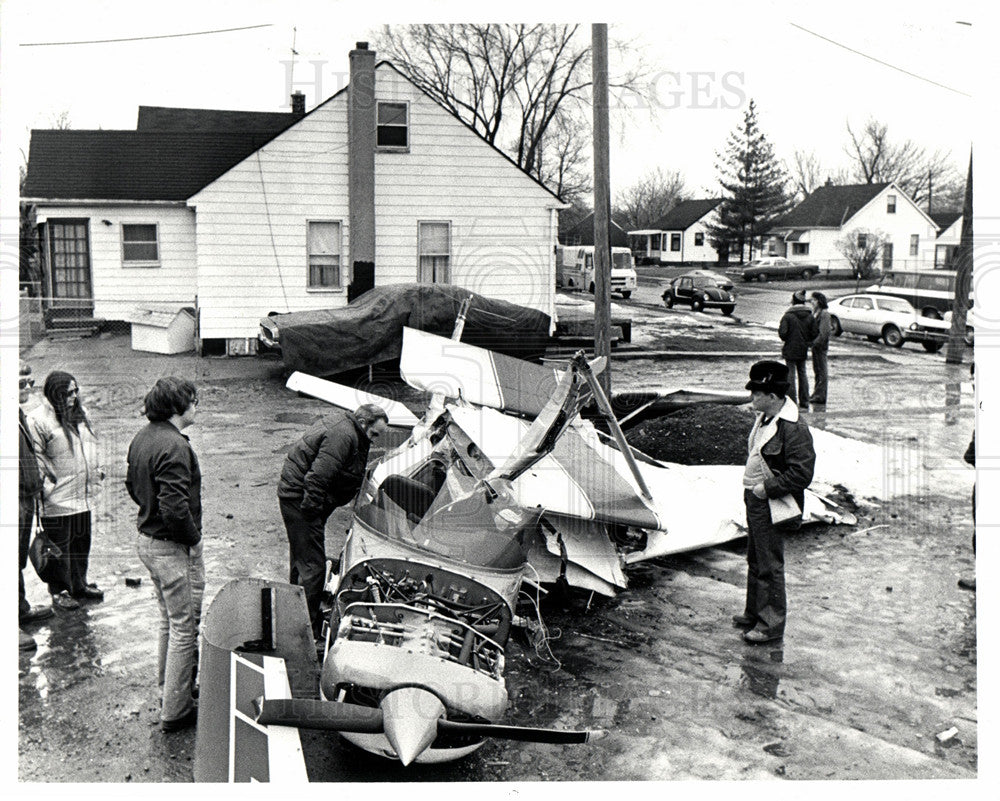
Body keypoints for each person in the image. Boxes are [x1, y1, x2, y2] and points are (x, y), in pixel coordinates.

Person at [126, 377, 205, 732]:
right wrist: (193, 540)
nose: (196, 406)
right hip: (171, 547)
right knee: (184, 628)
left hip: (148, 541)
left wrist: (150, 513)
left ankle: (171, 691)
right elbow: (174, 508)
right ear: (178, 407)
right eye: (192, 401)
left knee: (169, 622)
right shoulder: (174, 446)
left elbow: (133, 485)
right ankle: (176, 709)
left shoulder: (143, 436)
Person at [277, 404, 390, 637]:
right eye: (374, 434)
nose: (376, 441)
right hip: (302, 501)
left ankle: (293, 612)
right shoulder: (343, 435)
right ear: (363, 423)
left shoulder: (348, 429)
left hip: (299, 497)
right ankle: (305, 631)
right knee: (313, 568)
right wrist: (312, 514)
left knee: (302, 558)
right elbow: (318, 477)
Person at [734, 361, 816, 644]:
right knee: (756, 558)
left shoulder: (793, 428)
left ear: (773, 396)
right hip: (756, 497)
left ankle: (770, 625)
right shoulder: (766, 418)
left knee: (770, 563)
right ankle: (754, 612)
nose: (752, 398)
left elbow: (802, 473)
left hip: (771, 501)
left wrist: (765, 489)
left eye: (757, 393)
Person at [28, 370, 104, 610]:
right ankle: (59, 591)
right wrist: (47, 489)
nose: (73, 397)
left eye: (76, 391)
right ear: (55, 394)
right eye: (68, 392)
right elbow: (36, 458)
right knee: (59, 549)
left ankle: (79, 585)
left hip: (82, 494)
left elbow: (91, 445)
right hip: (57, 497)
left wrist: (97, 470)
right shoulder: (38, 420)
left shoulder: (80, 415)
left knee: (81, 542)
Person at [19, 363, 54, 651]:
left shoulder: (18, 414)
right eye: (20, 381)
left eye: (30, 381)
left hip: (25, 496)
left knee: (17, 558)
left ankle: (19, 608)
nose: (27, 386)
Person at [778, 289, 817, 410]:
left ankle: (791, 401)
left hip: (790, 348)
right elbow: (815, 332)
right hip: (803, 348)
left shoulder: (788, 316)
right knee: (803, 373)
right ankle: (804, 401)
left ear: (793, 301)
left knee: (790, 374)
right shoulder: (810, 316)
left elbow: (783, 334)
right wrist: (807, 341)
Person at [808, 292, 831, 405]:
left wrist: (814, 343)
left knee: (822, 371)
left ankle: (820, 395)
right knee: (817, 370)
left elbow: (824, 333)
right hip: (816, 347)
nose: (811, 302)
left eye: (813, 300)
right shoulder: (816, 313)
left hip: (820, 347)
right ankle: (816, 393)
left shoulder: (824, 314)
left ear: (818, 301)